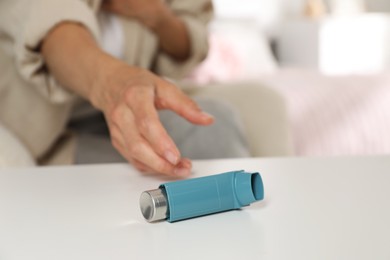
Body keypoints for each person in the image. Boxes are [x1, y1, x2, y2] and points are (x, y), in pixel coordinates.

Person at [0, 0, 250, 177]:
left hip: (117, 113)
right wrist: (114, 85)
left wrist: (156, 15)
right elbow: (49, 22)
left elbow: (194, 40)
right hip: (46, 128)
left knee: (217, 126)